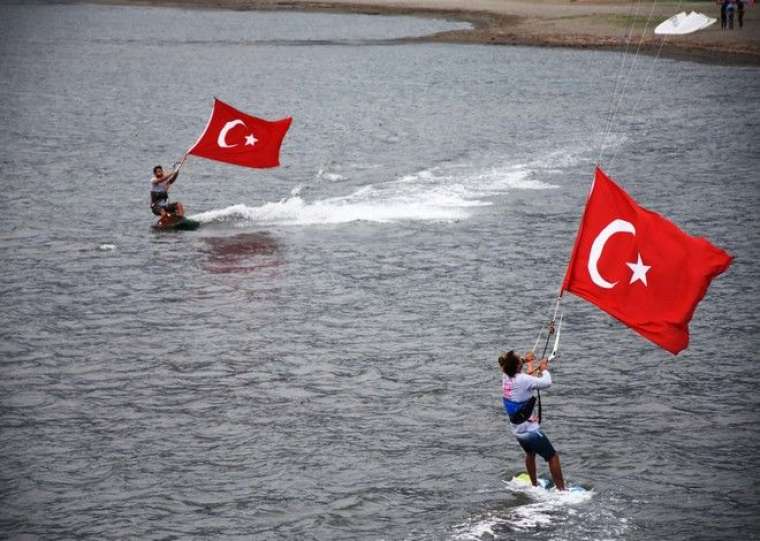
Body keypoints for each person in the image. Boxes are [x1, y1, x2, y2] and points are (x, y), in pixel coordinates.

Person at [499, 349, 565, 490]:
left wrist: (528, 362)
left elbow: (527, 379)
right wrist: (544, 369)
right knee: (552, 456)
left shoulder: (505, 375)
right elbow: (546, 383)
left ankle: (534, 484)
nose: (521, 358)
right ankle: (562, 491)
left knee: (530, 453)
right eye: (520, 359)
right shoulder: (524, 380)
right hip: (530, 431)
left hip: (518, 430)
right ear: (517, 366)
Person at [150, 157, 186, 224]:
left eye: (161, 171)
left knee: (179, 205)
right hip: (155, 207)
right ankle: (163, 223)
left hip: (165, 205)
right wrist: (171, 173)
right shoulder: (153, 180)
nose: (160, 172)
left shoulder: (165, 183)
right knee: (163, 212)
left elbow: (172, 179)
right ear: (155, 174)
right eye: (158, 172)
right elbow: (161, 180)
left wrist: (176, 171)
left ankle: (181, 219)